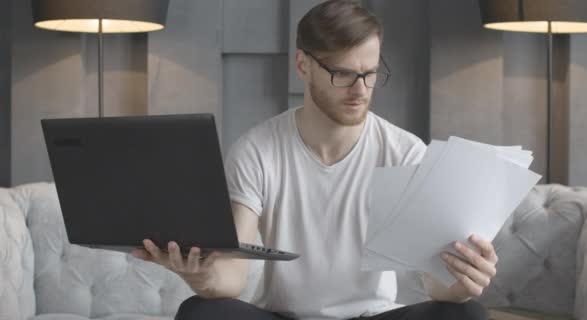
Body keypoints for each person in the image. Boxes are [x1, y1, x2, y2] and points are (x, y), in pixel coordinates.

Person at [132, 1, 498, 319]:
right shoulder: (257, 148)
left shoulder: (404, 151)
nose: (360, 90)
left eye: (370, 74)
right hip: (282, 316)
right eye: (343, 74)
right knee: (200, 312)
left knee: (465, 313)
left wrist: (463, 284)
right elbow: (233, 277)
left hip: (372, 315)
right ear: (303, 64)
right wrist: (200, 276)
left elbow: (434, 283)